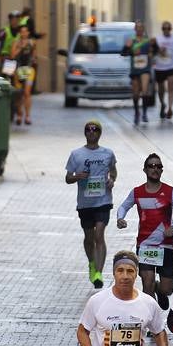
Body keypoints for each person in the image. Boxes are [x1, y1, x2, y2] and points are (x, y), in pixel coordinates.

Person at [116, 153, 173, 310]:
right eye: (151, 166)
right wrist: (120, 218)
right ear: (145, 170)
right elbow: (123, 206)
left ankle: (159, 288)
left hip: (166, 246)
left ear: (162, 170)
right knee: (146, 285)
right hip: (145, 245)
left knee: (167, 289)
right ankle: (150, 322)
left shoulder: (170, 192)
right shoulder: (137, 192)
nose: (155, 169)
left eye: (158, 166)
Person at [65, 119, 117, 289]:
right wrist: (77, 176)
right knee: (89, 238)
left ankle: (98, 273)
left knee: (99, 235)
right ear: (85, 132)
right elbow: (67, 178)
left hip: (103, 201)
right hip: (85, 203)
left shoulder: (108, 153)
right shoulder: (76, 154)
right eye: (88, 129)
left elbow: (114, 172)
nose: (91, 132)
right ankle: (91, 264)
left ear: (100, 133)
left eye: (95, 129)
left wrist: (111, 180)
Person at [122, 21, 154, 124]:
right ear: (135, 29)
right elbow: (123, 53)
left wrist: (151, 53)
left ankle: (144, 113)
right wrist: (130, 50)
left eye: (141, 28)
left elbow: (154, 52)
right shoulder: (131, 41)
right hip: (135, 69)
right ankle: (137, 112)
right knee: (135, 93)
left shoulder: (147, 41)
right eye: (137, 28)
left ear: (143, 29)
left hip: (145, 69)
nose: (139, 29)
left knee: (145, 91)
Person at [11, 25, 36, 125]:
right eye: (22, 31)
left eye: (25, 31)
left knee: (27, 92)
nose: (23, 33)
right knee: (19, 94)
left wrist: (34, 60)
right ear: (19, 33)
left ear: (28, 33)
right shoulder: (16, 43)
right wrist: (20, 47)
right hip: (18, 70)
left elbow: (34, 57)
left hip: (29, 70)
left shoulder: (32, 43)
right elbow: (12, 55)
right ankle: (19, 114)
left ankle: (28, 116)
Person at [154, 21, 173, 119]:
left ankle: (170, 108)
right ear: (162, 29)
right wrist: (158, 51)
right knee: (161, 89)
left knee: (171, 87)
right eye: (164, 28)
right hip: (159, 67)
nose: (166, 30)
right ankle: (162, 104)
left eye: (168, 28)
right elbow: (153, 50)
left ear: (171, 29)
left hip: (171, 66)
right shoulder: (157, 38)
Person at [0, 11, 21, 77]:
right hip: (7, 56)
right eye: (13, 20)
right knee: (9, 75)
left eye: (16, 20)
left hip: (18, 56)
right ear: (10, 20)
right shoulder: (4, 31)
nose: (15, 21)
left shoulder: (22, 31)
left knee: (19, 76)